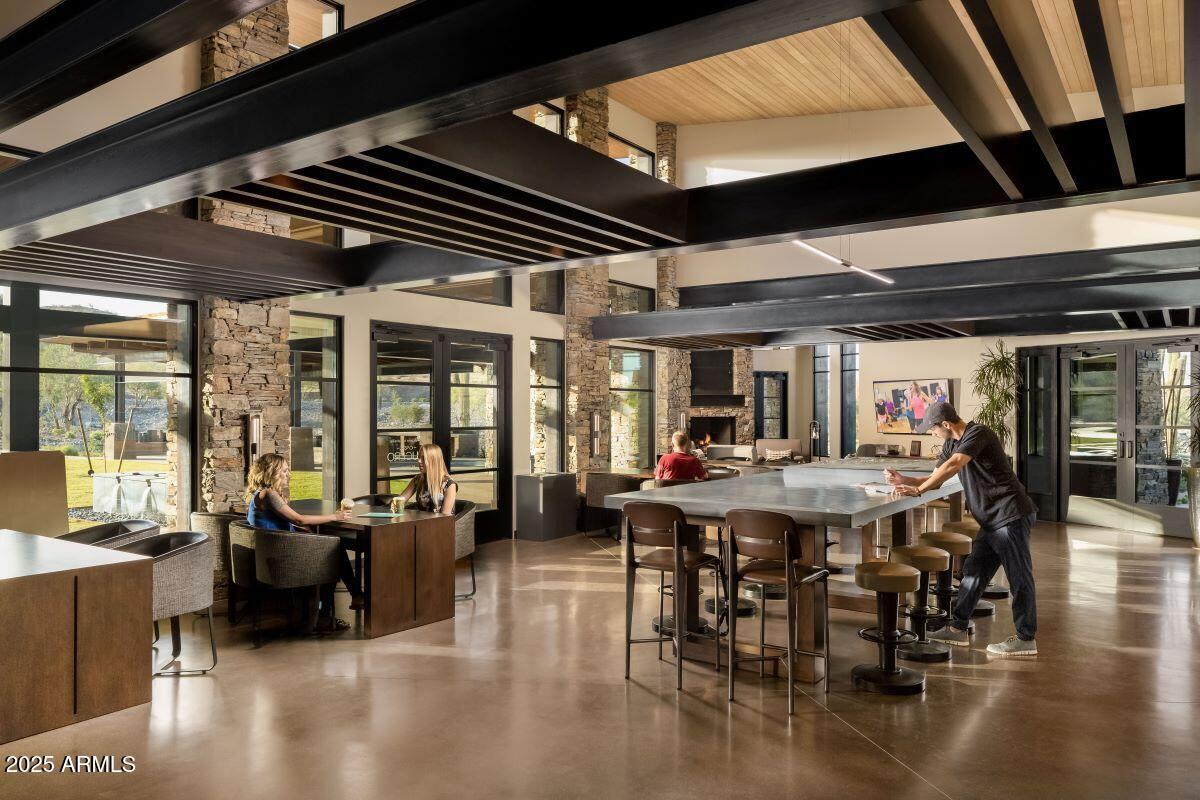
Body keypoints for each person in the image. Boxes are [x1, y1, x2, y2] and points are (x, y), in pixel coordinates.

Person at [884, 402, 1039, 657]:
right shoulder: (950, 444)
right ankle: (957, 629)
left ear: (945, 424)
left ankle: (1026, 638)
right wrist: (906, 480)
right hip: (991, 521)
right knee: (974, 573)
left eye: (932, 429)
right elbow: (936, 477)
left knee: (1019, 578)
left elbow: (955, 465)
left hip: (1010, 515)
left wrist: (918, 490)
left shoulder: (978, 434)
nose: (930, 433)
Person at [245, 453, 364, 621]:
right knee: (334, 551)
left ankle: (329, 613)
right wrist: (335, 517)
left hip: (267, 556)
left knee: (330, 548)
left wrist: (307, 529)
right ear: (272, 472)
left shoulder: (259, 494)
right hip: (281, 557)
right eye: (284, 471)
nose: (288, 475)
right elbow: (298, 519)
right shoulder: (270, 494)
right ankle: (329, 614)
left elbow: (291, 521)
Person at [393, 443, 458, 515]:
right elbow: (400, 501)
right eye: (419, 457)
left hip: (439, 524)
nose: (419, 461)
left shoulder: (449, 484)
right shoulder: (418, 479)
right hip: (419, 522)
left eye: (423, 458)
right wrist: (394, 507)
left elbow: (445, 516)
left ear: (434, 461)